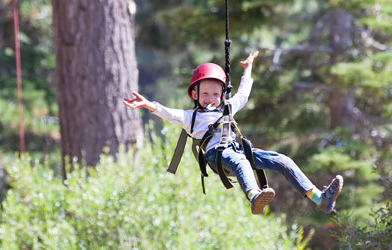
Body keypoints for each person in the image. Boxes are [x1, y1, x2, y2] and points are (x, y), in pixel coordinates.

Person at [124, 51, 343, 215]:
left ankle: (319, 198)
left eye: (215, 94)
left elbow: (244, 93)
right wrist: (148, 105)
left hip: (237, 150)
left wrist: (247, 69)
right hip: (218, 156)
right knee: (241, 162)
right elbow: (168, 113)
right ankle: (254, 195)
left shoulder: (227, 107)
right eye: (206, 94)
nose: (211, 98)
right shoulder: (191, 117)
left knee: (282, 160)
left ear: (222, 95)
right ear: (194, 94)